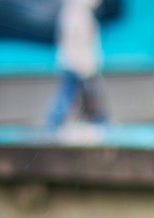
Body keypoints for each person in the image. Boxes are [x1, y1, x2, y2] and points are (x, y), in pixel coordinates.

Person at [46, 0, 108, 129]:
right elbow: (78, 43)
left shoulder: (74, 12)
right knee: (73, 94)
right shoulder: (78, 14)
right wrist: (86, 65)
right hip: (77, 64)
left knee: (83, 94)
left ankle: (100, 120)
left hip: (76, 63)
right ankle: (53, 123)